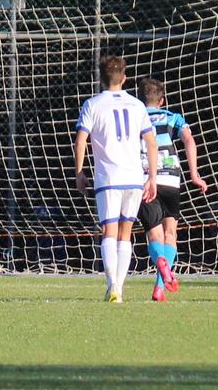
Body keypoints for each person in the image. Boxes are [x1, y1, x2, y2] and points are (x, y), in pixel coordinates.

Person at [73, 55, 158, 303]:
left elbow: (80, 141)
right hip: (133, 177)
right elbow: (151, 143)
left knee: (108, 231)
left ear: (101, 78)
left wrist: (80, 172)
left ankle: (113, 286)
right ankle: (118, 286)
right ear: (124, 78)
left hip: (108, 178)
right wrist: (151, 177)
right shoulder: (137, 105)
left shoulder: (92, 104)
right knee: (126, 233)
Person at [136, 77, 208, 302]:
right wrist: (194, 174)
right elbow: (189, 139)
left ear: (140, 99)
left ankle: (160, 262)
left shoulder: (134, 117)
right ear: (162, 100)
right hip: (171, 180)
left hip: (146, 178)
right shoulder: (173, 117)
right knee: (170, 234)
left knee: (154, 235)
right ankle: (159, 287)